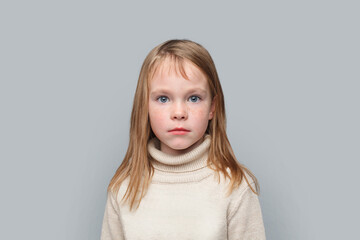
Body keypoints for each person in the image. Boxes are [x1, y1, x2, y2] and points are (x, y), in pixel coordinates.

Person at [101, 39, 266, 240]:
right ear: (145, 106)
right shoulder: (123, 188)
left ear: (212, 107)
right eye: (163, 98)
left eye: (193, 98)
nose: (179, 113)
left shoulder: (235, 186)